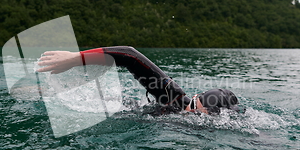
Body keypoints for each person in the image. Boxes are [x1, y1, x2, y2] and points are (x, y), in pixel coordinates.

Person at [36, 46, 240, 115]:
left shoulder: (190, 116)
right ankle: (51, 91)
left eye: (195, 106)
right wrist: (75, 58)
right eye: (193, 103)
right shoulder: (176, 100)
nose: (191, 108)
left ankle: (52, 92)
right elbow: (130, 55)